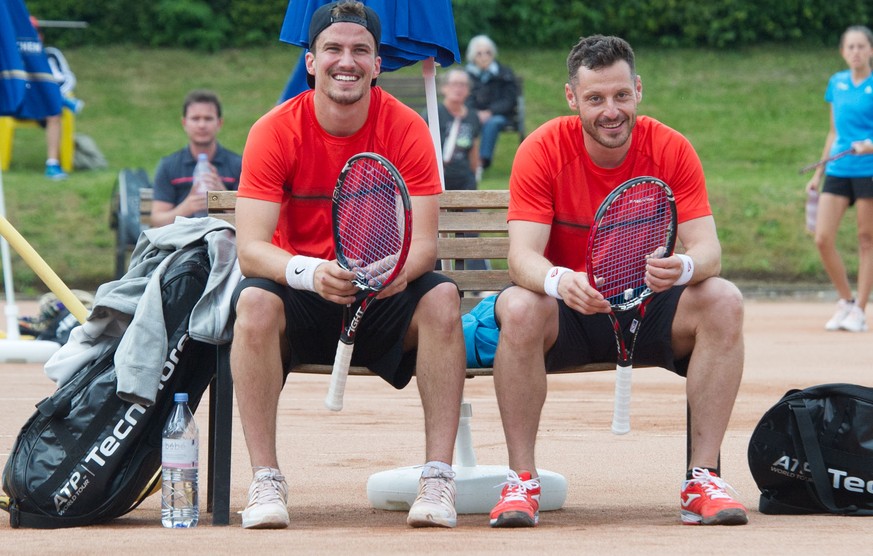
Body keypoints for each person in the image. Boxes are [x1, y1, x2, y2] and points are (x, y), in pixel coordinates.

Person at [487, 35, 749, 528]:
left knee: (723, 299)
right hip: (570, 313)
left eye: (621, 96)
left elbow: (708, 249)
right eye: (595, 99)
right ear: (572, 99)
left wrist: (684, 268)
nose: (611, 111)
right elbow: (521, 258)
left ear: (638, 90)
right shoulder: (541, 148)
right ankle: (522, 479)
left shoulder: (671, 147)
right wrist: (561, 281)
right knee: (520, 306)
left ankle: (702, 479)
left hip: (648, 310)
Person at [230, 0, 466, 530]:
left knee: (443, 297)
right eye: (333, 49)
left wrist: (391, 273)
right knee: (252, 302)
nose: (347, 60)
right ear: (311, 61)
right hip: (304, 297)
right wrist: (311, 273)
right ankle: (265, 479)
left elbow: (425, 246)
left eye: (361, 50)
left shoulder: (406, 130)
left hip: (384, 293)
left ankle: (437, 478)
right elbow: (251, 249)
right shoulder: (273, 130)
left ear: (378, 64)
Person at [805, 25, 873, 333]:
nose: (856, 52)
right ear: (843, 52)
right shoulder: (837, 83)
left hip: (868, 168)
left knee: (866, 239)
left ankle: (860, 309)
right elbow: (834, 132)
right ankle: (846, 301)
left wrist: (870, 144)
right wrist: (819, 172)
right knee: (822, 237)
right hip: (839, 168)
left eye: (861, 46)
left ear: (870, 50)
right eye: (851, 47)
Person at [423, 68, 487, 271]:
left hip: (464, 179)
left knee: (470, 227)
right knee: (434, 228)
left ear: (468, 90)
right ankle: (437, 272)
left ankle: (477, 276)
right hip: (438, 180)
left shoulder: (472, 117)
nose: (459, 89)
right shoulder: (433, 114)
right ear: (444, 88)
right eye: (454, 84)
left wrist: (474, 174)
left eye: (463, 85)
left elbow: (474, 149)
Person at [150, 90, 242, 227]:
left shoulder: (238, 165)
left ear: (219, 123)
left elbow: (248, 218)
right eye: (195, 118)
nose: (201, 125)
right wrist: (186, 208)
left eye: (208, 118)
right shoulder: (169, 165)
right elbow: (156, 220)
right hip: (180, 243)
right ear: (184, 123)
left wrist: (222, 195)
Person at [28, 16, 83, 180]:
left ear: (41, 35)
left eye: (36, 32)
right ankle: (65, 102)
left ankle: (52, 165)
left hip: (48, 105)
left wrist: (54, 94)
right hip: (25, 104)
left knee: (53, 110)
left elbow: (69, 78)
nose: (34, 36)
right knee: (45, 93)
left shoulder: (52, 54)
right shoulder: (14, 58)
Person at [464, 35, 518, 176]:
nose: (484, 57)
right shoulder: (466, 76)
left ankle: (482, 162)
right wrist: (476, 113)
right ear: (472, 56)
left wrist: (490, 112)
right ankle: (462, 162)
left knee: (492, 123)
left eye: (487, 52)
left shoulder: (504, 73)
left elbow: (509, 100)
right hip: (473, 114)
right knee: (467, 121)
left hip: (498, 115)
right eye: (479, 53)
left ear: (493, 54)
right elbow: (464, 99)